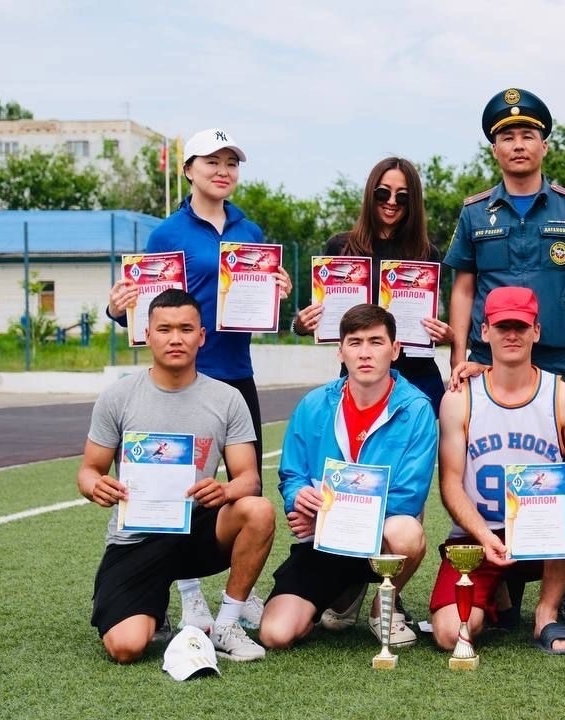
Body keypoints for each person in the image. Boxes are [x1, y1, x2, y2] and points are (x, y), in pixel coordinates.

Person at [105, 128, 290, 632]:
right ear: (188, 170)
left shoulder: (251, 231)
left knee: (245, 487)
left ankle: (239, 593)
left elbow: (260, 307)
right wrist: (118, 310)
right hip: (183, 382)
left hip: (237, 375)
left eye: (231, 162)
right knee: (178, 485)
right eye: (212, 161)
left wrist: (277, 291)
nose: (223, 171)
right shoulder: (168, 234)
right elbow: (151, 309)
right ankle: (188, 595)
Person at [77, 289, 275, 664]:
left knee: (258, 509)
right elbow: (89, 470)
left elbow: (248, 479)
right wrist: (95, 486)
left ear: (201, 336)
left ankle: (227, 624)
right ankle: (154, 610)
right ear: (147, 335)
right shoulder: (118, 396)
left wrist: (225, 489)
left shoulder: (227, 398)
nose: (175, 338)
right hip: (137, 536)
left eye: (185, 329)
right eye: (164, 329)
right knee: (125, 648)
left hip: (196, 528)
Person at [430, 286, 565, 654]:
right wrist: (483, 536)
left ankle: (547, 612)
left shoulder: (563, 397)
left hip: (540, 534)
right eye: (502, 326)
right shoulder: (460, 398)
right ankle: (499, 596)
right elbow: (450, 484)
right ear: (485, 331)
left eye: (521, 326)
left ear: (536, 331)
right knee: (450, 635)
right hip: (479, 537)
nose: (512, 335)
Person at [257, 305, 437, 650]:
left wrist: (328, 518)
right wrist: (298, 497)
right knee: (275, 635)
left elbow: (408, 497)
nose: (365, 353)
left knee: (407, 532)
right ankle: (346, 591)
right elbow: (292, 474)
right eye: (355, 343)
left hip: (379, 539)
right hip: (322, 544)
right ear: (340, 351)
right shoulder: (313, 404)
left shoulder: (416, 409)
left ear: (395, 350)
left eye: (375, 342)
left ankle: (383, 607)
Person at [445, 88, 565, 384]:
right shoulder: (474, 212)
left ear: (544, 146)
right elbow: (463, 290)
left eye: (527, 136)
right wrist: (458, 355)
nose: (518, 146)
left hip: (561, 360)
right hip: (488, 359)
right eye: (508, 138)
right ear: (494, 150)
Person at [291, 157, 453, 412]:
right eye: (383, 193)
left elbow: (430, 324)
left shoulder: (427, 253)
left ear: (412, 201)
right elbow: (325, 321)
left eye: (402, 196)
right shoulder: (341, 247)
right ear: (370, 194)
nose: (391, 201)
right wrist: (301, 325)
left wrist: (445, 336)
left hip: (417, 376)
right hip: (361, 378)